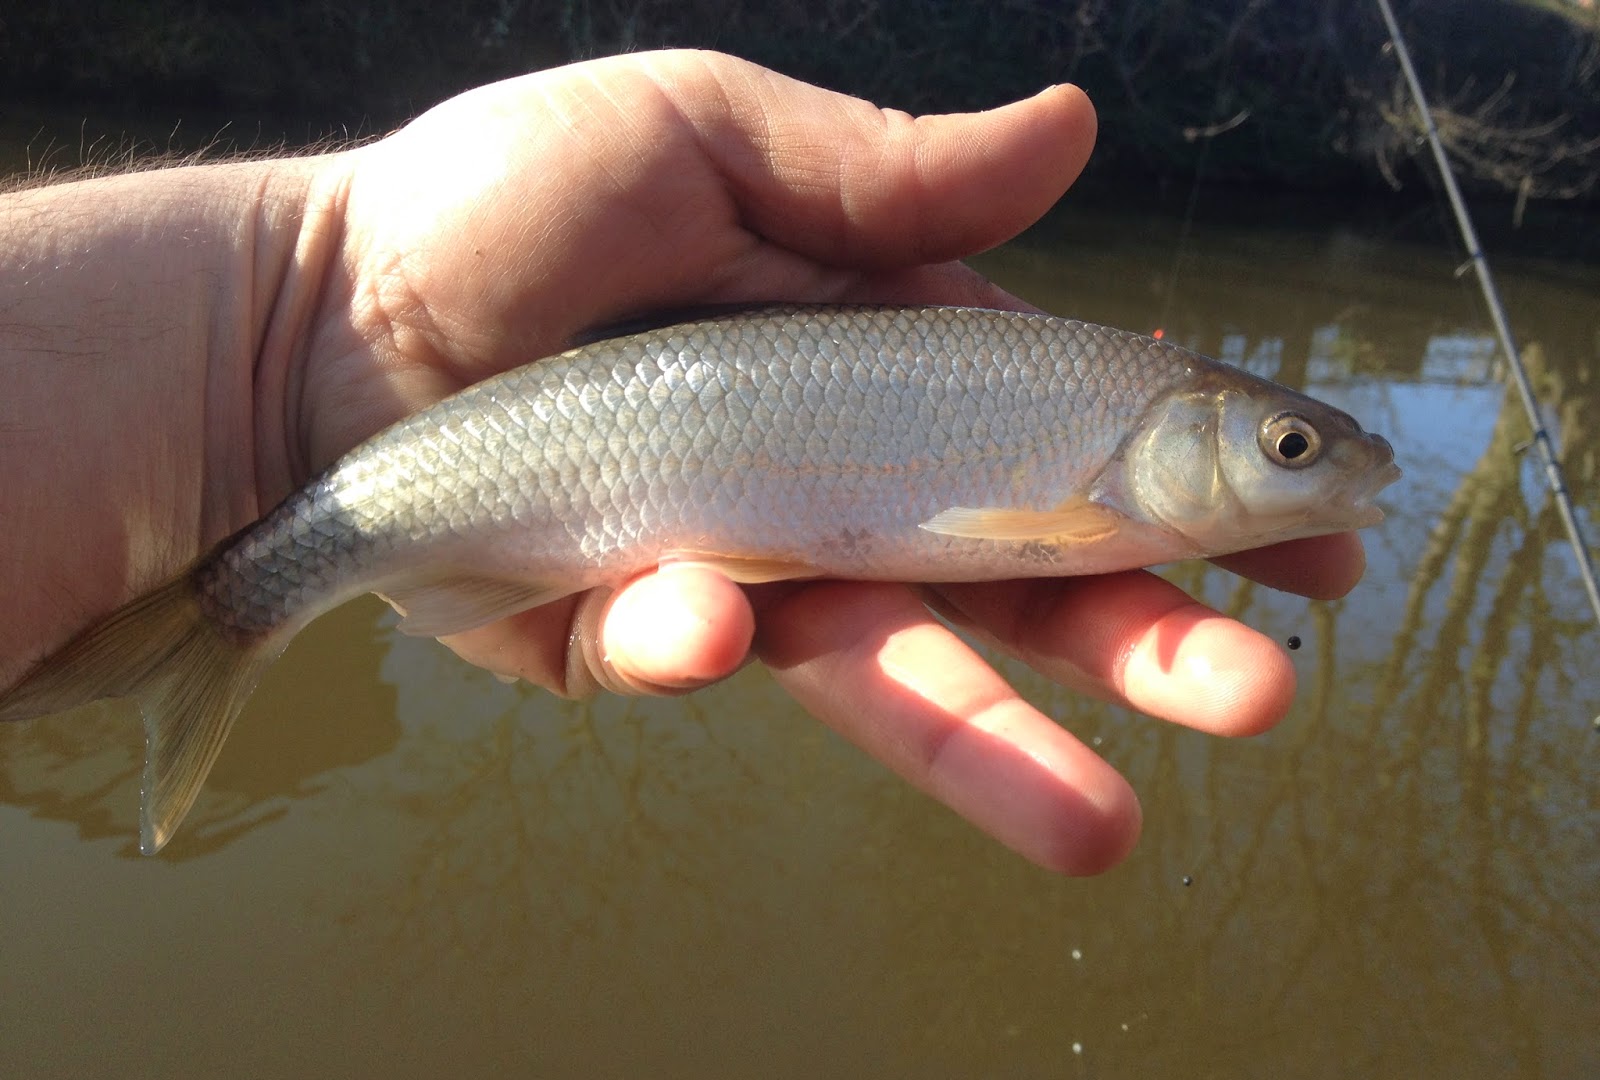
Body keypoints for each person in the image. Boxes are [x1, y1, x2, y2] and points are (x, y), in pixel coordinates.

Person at [0, 50, 1365, 874]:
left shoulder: (1108, 457)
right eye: (1289, 447)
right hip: (492, 454)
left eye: (1292, 447)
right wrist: (294, 319)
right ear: (1190, 425)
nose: (1308, 466)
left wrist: (274, 322)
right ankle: (216, 623)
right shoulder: (1094, 470)